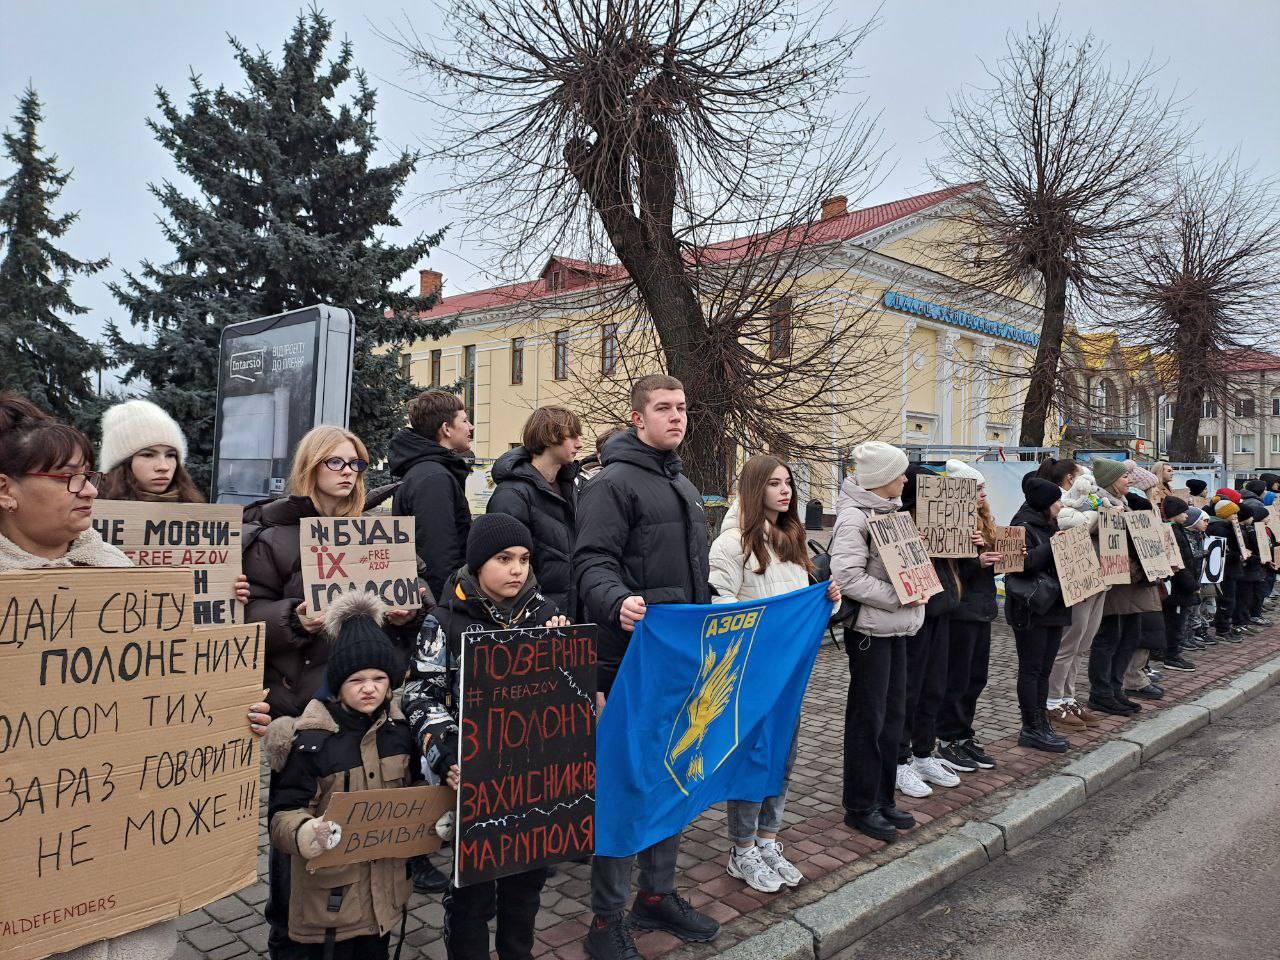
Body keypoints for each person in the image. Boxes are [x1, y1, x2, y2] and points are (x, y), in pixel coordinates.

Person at [0, 392, 271, 960]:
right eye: (67, 478)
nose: (87, 490)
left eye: (88, 477)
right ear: (7, 490)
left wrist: (229, 714)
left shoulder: (123, 576)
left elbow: (168, 698)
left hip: (128, 894)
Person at [243, 425, 424, 955]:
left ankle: (367, 923)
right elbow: (248, 617)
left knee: (364, 828)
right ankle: (292, 936)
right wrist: (294, 619)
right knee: (297, 832)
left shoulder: (377, 534)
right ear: (310, 466)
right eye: (336, 463)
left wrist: (409, 612)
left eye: (356, 464)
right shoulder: (274, 535)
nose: (347, 473)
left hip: (366, 710)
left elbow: (418, 605)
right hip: (302, 710)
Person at [573, 374, 718, 960]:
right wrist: (616, 600)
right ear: (638, 418)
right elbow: (591, 562)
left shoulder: (680, 480)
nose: (677, 417)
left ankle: (655, 895)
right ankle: (606, 921)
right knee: (623, 785)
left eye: (682, 408)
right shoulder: (611, 484)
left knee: (671, 776)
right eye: (664, 408)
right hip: (625, 661)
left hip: (678, 660)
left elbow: (689, 573)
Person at [402, 513, 568, 960]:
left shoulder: (547, 615)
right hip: (471, 782)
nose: (517, 569)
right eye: (503, 558)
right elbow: (420, 693)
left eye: (524, 559)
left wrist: (564, 651)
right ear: (478, 564)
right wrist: (450, 752)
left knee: (526, 886)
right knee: (473, 895)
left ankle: (518, 952)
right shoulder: (445, 621)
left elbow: (566, 698)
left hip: (532, 782)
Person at [708, 454, 840, 894]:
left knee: (783, 757)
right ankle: (741, 848)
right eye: (774, 484)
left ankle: (768, 839)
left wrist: (829, 598)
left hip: (790, 675)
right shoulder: (731, 544)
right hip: (751, 676)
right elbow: (720, 608)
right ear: (754, 488)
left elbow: (804, 605)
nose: (784, 491)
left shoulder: (791, 539)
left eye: (788, 483)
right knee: (754, 761)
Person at [266, 592, 421, 960]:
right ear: (337, 683)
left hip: (380, 901)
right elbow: (282, 815)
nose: (370, 688)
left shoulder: (401, 732)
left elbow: (415, 791)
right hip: (326, 907)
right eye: (357, 680)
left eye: (379, 678)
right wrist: (306, 832)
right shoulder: (309, 743)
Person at [829, 441, 926, 843]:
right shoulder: (854, 519)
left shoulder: (890, 512)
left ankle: (883, 799)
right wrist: (900, 597)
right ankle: (860, 805)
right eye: (899, 472)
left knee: (893, 718)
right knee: (868, 720)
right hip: (872, 632)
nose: (905, 478)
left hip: (898, 629)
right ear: (882, 479)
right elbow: (847, 577)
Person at [97, 398, 253, 605]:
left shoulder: (196, 516)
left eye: (170, 455)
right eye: (148, 454)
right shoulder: (88, 519)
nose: (163, 466)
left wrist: (229, 588)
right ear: (123, 463)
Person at [894, 465, 963, 797]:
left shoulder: (942, 521)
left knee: (934, 687)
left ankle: (923, 752)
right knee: (910, 689)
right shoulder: (901, 521)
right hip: (916, 614)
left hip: (942, 609)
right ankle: (900, 759)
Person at [936, 460, 1004, 771]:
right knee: (957, 677)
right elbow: (948, 571)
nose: (983, 493)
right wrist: (976, 560)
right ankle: (947, 737)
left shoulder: (983, 520)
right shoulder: (947, 520)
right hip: (961, 610)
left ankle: (964, 734)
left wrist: (999, 554)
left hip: (982, 607)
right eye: (976, 488)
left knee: (976, 677)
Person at [486, 406, 583, 612]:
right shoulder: (512, 494)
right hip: (532, 615)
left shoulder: (569, 486)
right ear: (549, 437)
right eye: (572, 436)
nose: (580, 444)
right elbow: (504, 564)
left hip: (570, 612)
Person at [1087, 464, 1162, 716]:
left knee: (1129, 635)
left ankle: (1116, 688)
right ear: (1111, 480)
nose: (1130, 480)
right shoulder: (1100, 503)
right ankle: (1101, 692)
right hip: (1115, 580)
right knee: (1109, 637)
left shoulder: (1123, 500)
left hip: (1132, 579)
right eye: (1124, 476)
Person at [1003, 478, 1071, 752]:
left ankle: (1041, 722)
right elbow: (1019, 565)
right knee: (1031, 669)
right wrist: (1052, 545)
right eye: (1057, 501)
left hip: (1054, 605)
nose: (1061, 505)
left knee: (1045, 669)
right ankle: (1030, 726)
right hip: (1031, 608)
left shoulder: (1049, 524)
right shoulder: (1021, 526)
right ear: (1045, 504)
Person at [390, 389, 476, 603]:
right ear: (446, 428)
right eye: (465, 421)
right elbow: (438, 557)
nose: (471, 427)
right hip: (440, 602)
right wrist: (448, 609)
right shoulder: (434, 478)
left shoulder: (431, 471)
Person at [1045, 463, 1111, 733]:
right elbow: (1075, 527)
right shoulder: (1062, 504)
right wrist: (1098, 516)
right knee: (1068, 644)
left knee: (1084, 643)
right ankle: (1053, 701)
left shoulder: (1093, 503)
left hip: (1097, 578)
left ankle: (1068, 697)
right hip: (1078, 579)